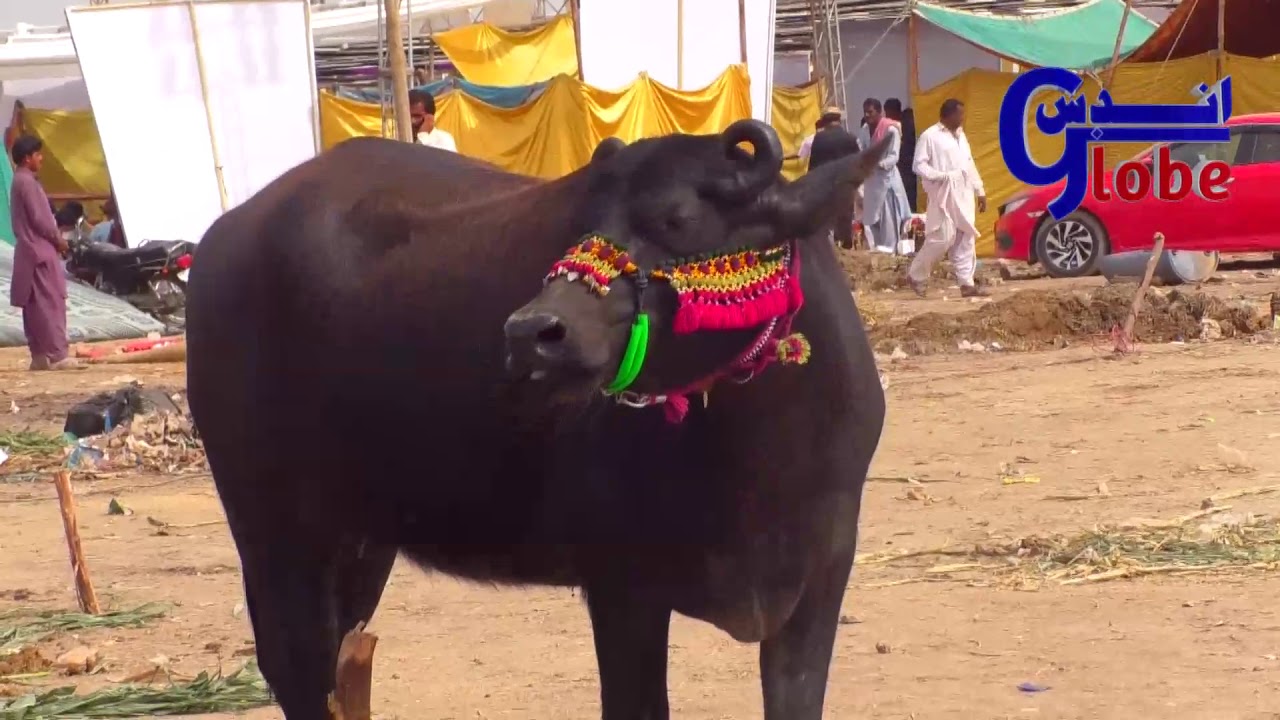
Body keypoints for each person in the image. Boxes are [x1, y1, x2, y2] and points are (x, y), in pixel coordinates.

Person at [8, 135, 79, 370]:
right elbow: (41, 220)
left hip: (28, 251)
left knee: (34, 305)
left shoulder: (19, 181)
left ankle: (40, 355)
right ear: (27, 158)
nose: (41, 158)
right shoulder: (27, 183)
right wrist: (59, 241)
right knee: (50, 302)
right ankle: (57, 354)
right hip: (39, 250)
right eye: (38, 154)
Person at [907, 99, 988, 298]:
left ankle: (966, 284)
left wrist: (980, 190)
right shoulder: (930, 136)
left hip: (964, 193)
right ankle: (916, 275)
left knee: (965, 238)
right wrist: (939, 176)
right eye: (959, 114)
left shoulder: (961, 136)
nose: (962, 118)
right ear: (948, 115)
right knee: (942, 238)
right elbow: (918, 165)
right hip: (943, 193)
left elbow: (969, 164)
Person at [856, 98, 912, 255]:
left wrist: (877, 164)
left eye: (870, 112)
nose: (867, 115)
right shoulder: (865, 129)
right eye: (865, 112)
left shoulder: (891, 130)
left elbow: (894, 157)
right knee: (872, 223)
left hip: (887, 183)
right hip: (871, 183)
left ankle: (890, 256)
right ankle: (878, 257)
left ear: (880, 112)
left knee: (889, 226)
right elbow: (860, 148)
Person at [806, 106, 861, 248]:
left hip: (826, 185)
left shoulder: (820, 139)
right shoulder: (851, 138)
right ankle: (846, 246)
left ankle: (829, 249)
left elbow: (814, 165)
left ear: (825, 121)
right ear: (839, 120)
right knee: (845, 217)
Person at [885, 98, 918, 212]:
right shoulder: (896, 125)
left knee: (908, 199)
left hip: (908, 167)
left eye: (889, 113)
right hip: (904, 167)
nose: (888, 117)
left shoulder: (906, 124)